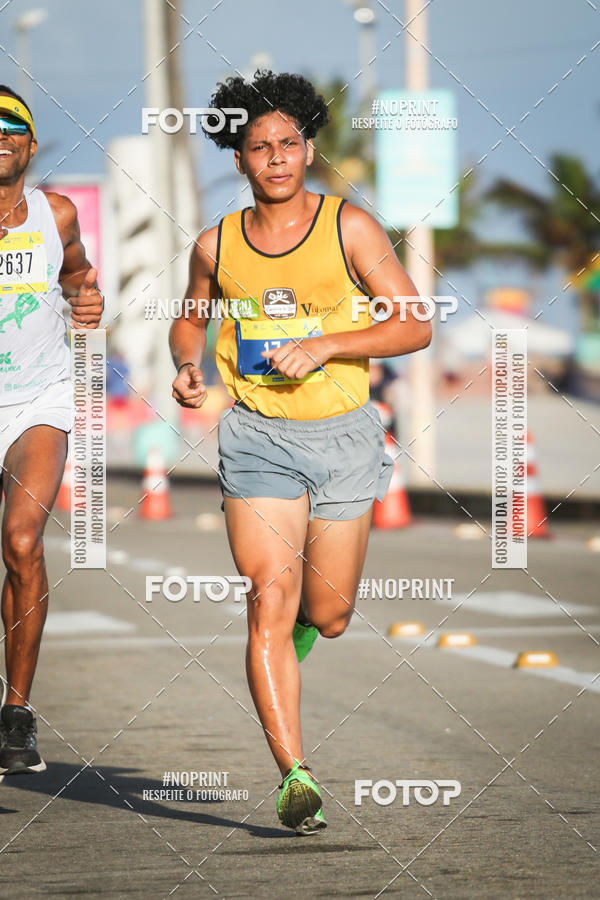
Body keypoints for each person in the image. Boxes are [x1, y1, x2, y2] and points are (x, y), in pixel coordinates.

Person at [169, 71, 431, 834]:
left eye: (288, 143)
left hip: (344, 434)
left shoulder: (350, 227)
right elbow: (190, 321)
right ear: (241, 160)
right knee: (268, 602)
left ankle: (293, 647)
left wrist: (327, 345)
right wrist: (188, 364)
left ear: (309, 150)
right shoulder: (215, 242)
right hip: (256, 437)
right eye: (260, 147)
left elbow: (414, 323)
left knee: (332, 612)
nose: (276, 157)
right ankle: (295, 775)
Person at [0, 86, 103, 774]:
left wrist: (87, 298)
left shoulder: (55, 213)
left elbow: (79, 275)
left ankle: (15, 714)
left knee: (21, 540)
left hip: (36, 398)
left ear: (32, 148)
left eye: (14, 129)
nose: (1, 137)